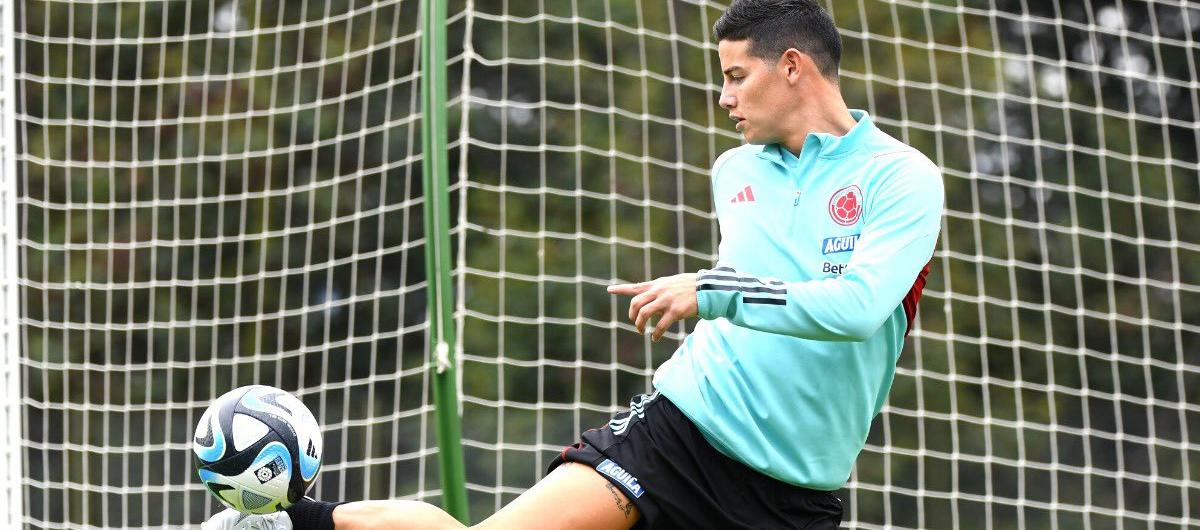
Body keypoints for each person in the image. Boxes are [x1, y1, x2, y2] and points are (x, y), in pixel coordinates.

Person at [203, 0, 943, 528]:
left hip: (794, 495)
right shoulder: (734, 171)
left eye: (737, 76)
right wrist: (708, 299)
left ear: (792, 66)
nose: (723, 98)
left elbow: (856, 307)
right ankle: (279, 524)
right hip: (681, 434)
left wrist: (707, 291)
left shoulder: (899, 178)